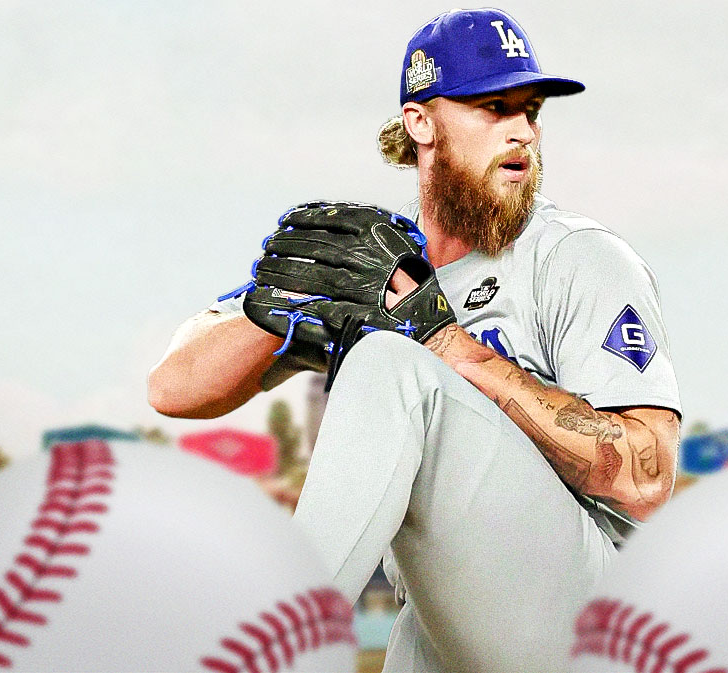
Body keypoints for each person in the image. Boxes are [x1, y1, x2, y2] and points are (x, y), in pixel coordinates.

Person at [149, 8, 683, 672]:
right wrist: (277, 310)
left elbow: (647, 476)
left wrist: (456, 349)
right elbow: (171, 388)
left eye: (531, 109)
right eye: (494, 106)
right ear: (420, 122)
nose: (522, 130)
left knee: (386, 357)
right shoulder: (381, 266)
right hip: (447, 626)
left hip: (590, 622)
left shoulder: (577, 258)